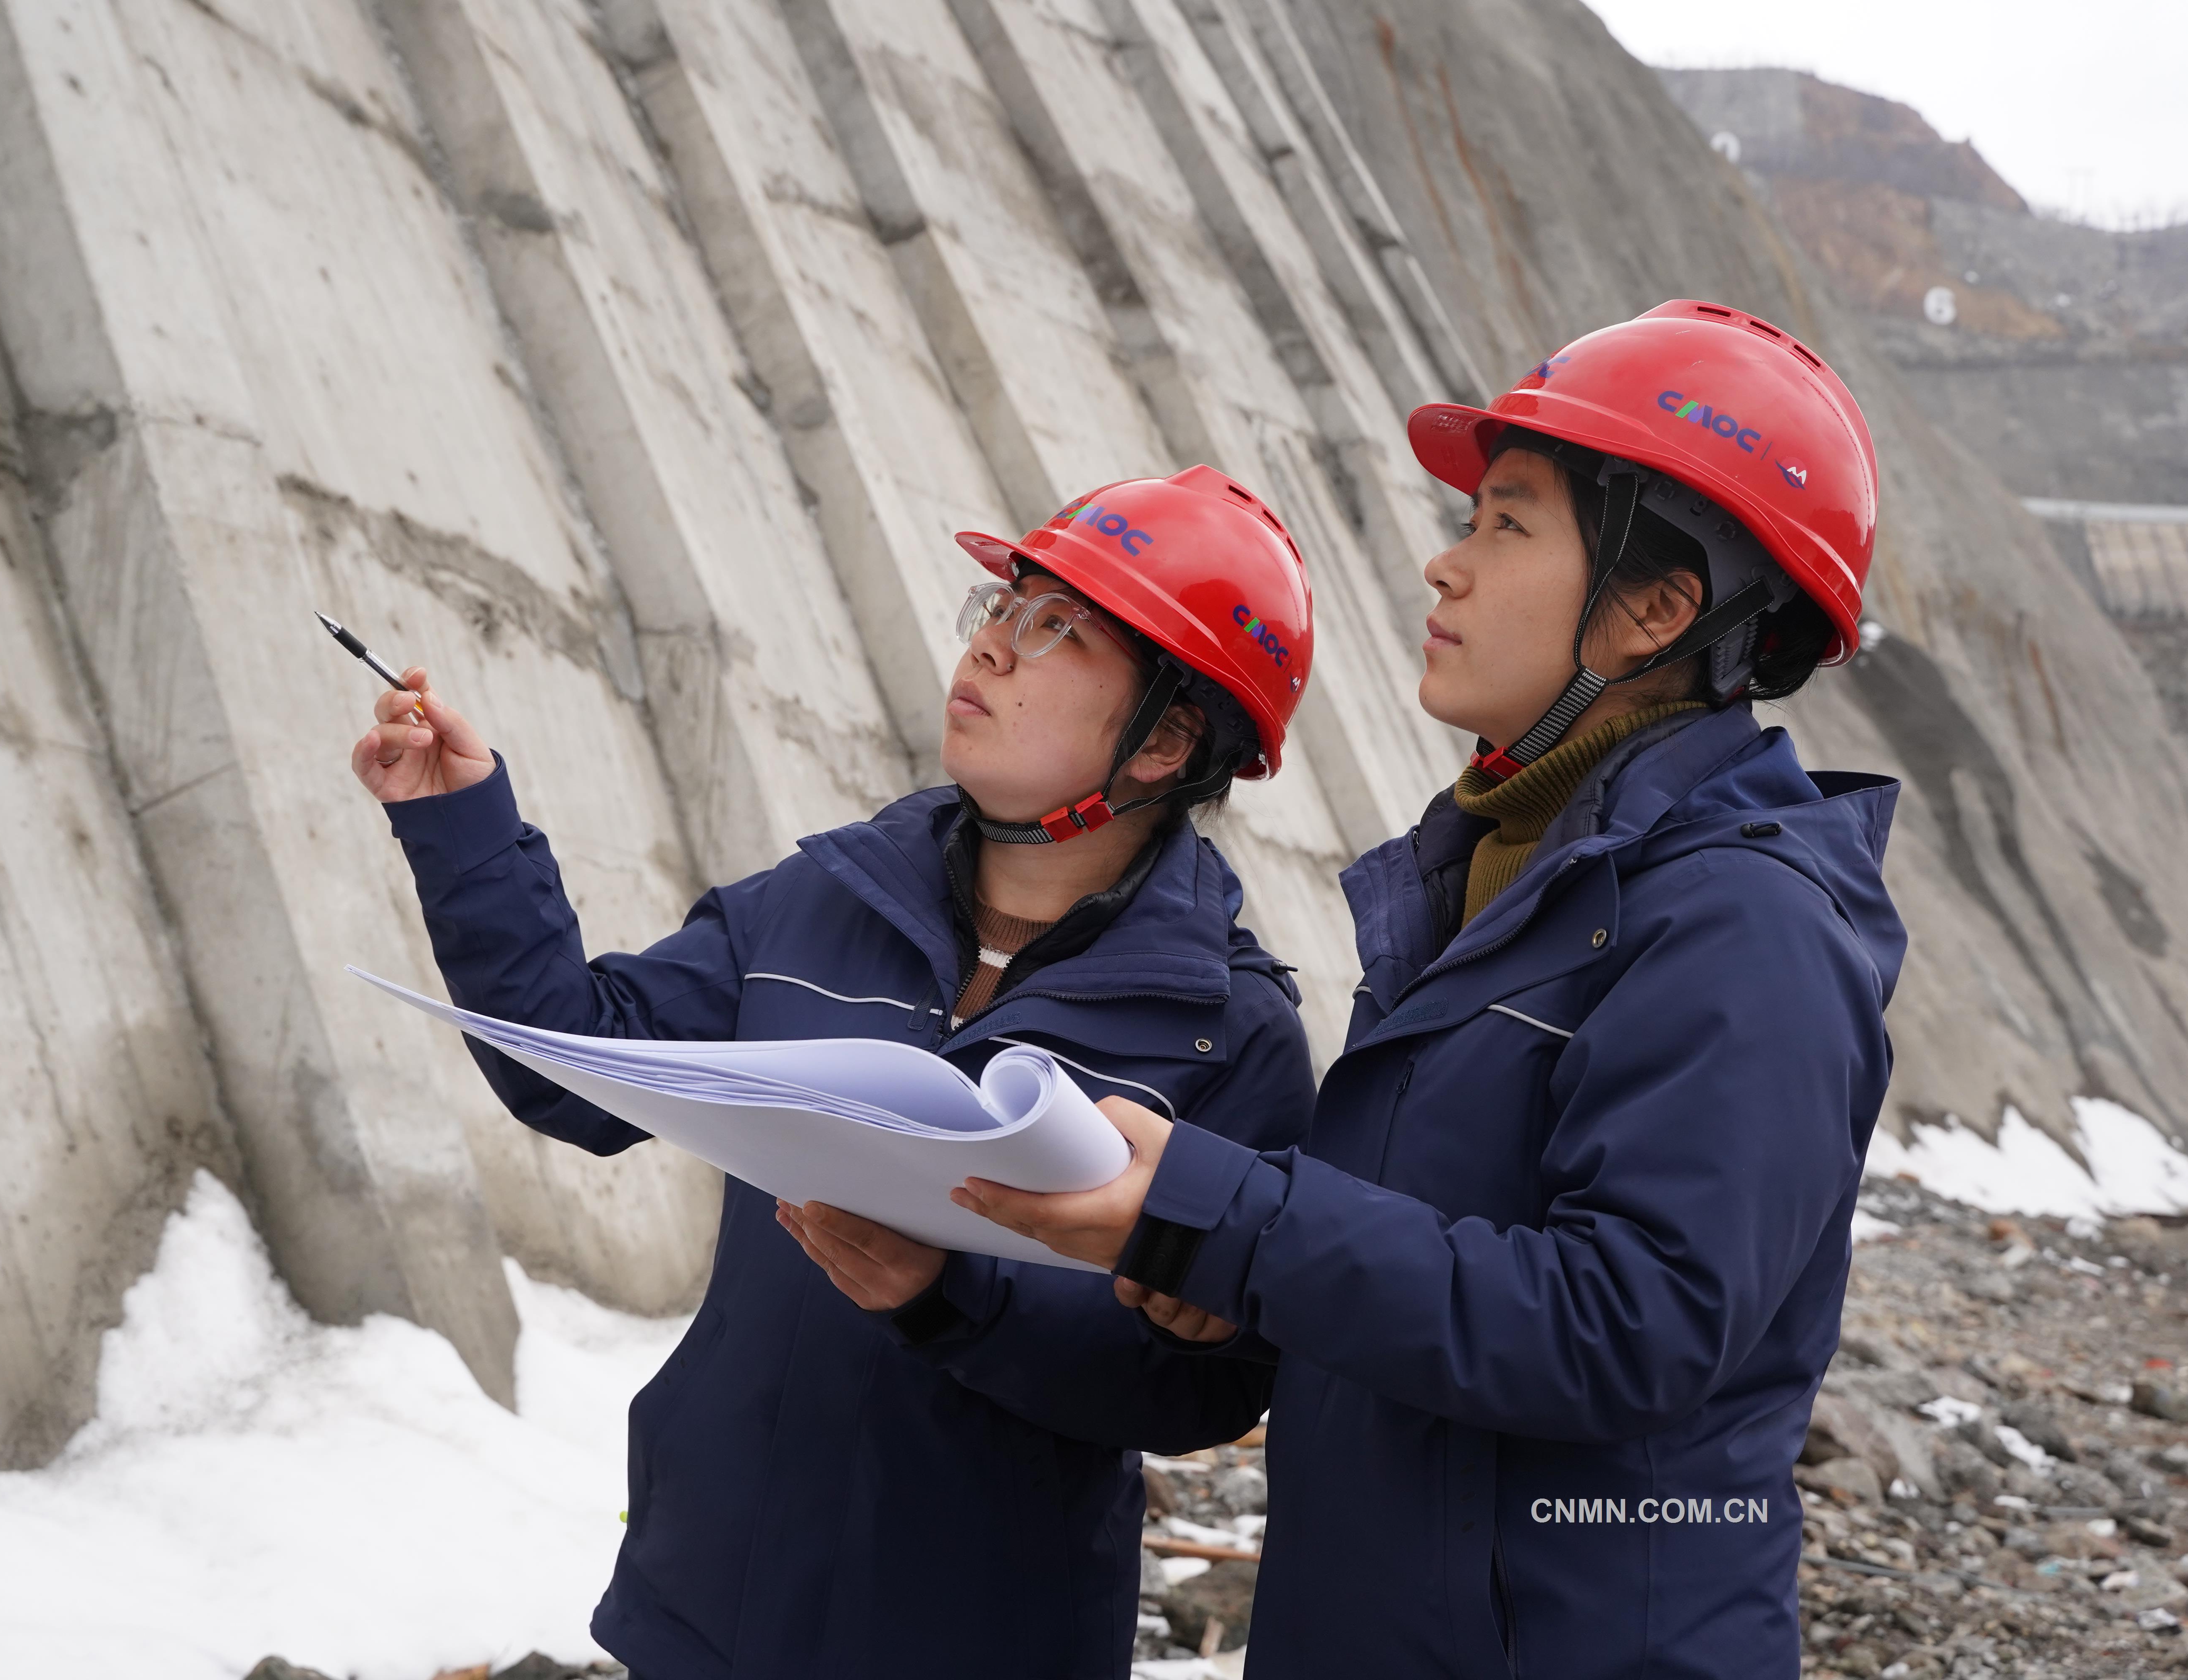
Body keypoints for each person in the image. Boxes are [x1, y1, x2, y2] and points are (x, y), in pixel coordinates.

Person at [959, 300, 1907, 1678]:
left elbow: (1623, 1327)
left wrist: (1221, 1212)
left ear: (1658, 607)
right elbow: (1441, 1268)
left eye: (1506, 525)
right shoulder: (1507, 873)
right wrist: (1226, 1278)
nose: (1443, 565)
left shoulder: (1747, 921)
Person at [351, 465, 1320, 1679]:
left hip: (978, 1640)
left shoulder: (1223, 1031)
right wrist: (466, 829)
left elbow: (1203, 1391)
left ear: (1167, 741)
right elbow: (573, 1068)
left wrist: (947, 1302)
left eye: (1058, 631)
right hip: (707, 1600)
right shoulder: (826, 896)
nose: (997, 651)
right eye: (1004, 612)